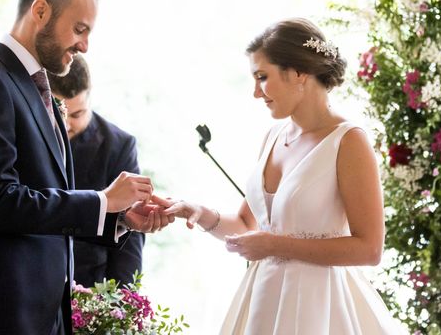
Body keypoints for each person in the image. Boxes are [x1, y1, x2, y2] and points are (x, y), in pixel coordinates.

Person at [0, 0, 166, 334]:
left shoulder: (32, 86)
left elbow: (42, 204)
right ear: (40, 11)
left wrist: (119, 219)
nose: (84, 45)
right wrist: (103, 200)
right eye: (79, 29)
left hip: (42, 317)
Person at [158, 18, 405, 334]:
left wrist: (275, 246)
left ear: (299, 72)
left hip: (320, 307)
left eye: (263, 77)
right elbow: (249, 225)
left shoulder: (349, 141)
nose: (256, 93)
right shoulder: (273, 136)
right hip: (264, 299)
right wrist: (200, 213)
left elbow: (370, 249)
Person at [47, 55, 146, 288]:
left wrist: (120, 302)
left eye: (77, 114)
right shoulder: (26, 135)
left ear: (90, 98)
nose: (67, 125)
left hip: (88, 285)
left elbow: (130, 231)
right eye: (59, 114)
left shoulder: (119, 145)